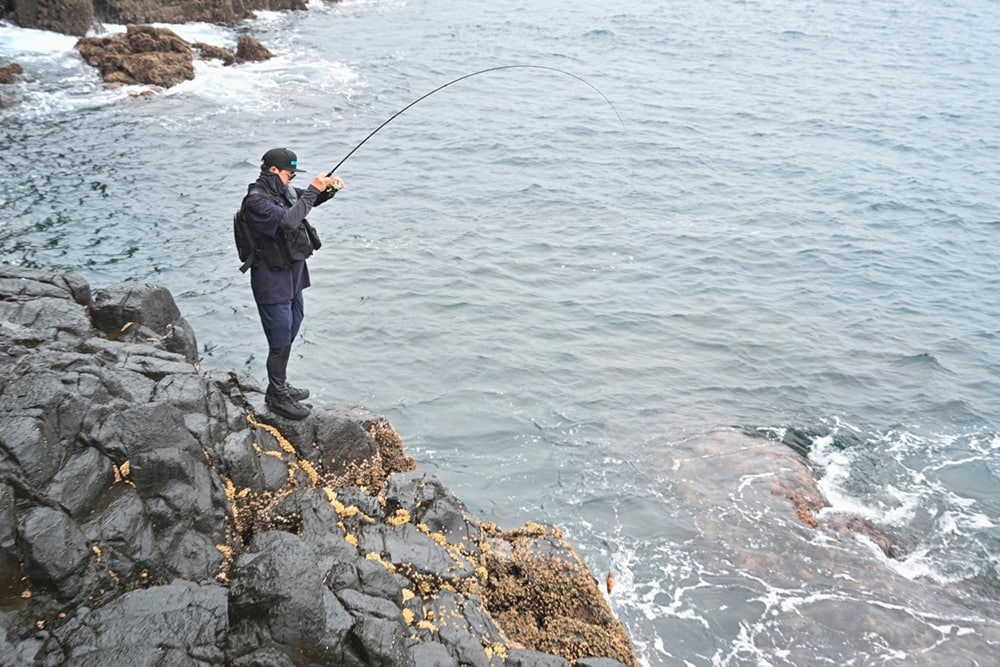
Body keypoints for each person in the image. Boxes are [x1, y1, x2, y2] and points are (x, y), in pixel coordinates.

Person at [241, 147, 345, 420]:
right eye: (290, 174)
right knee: (279, 337)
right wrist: (312, 189)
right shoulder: (256, 202)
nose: (292, 179)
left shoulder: (282, 191)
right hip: (271, 277)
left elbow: (306, 202)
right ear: (273, 171)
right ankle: (276, 396)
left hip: (293, 274)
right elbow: (288, 221)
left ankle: (281, 385)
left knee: (292, 326)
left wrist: (328, 189)